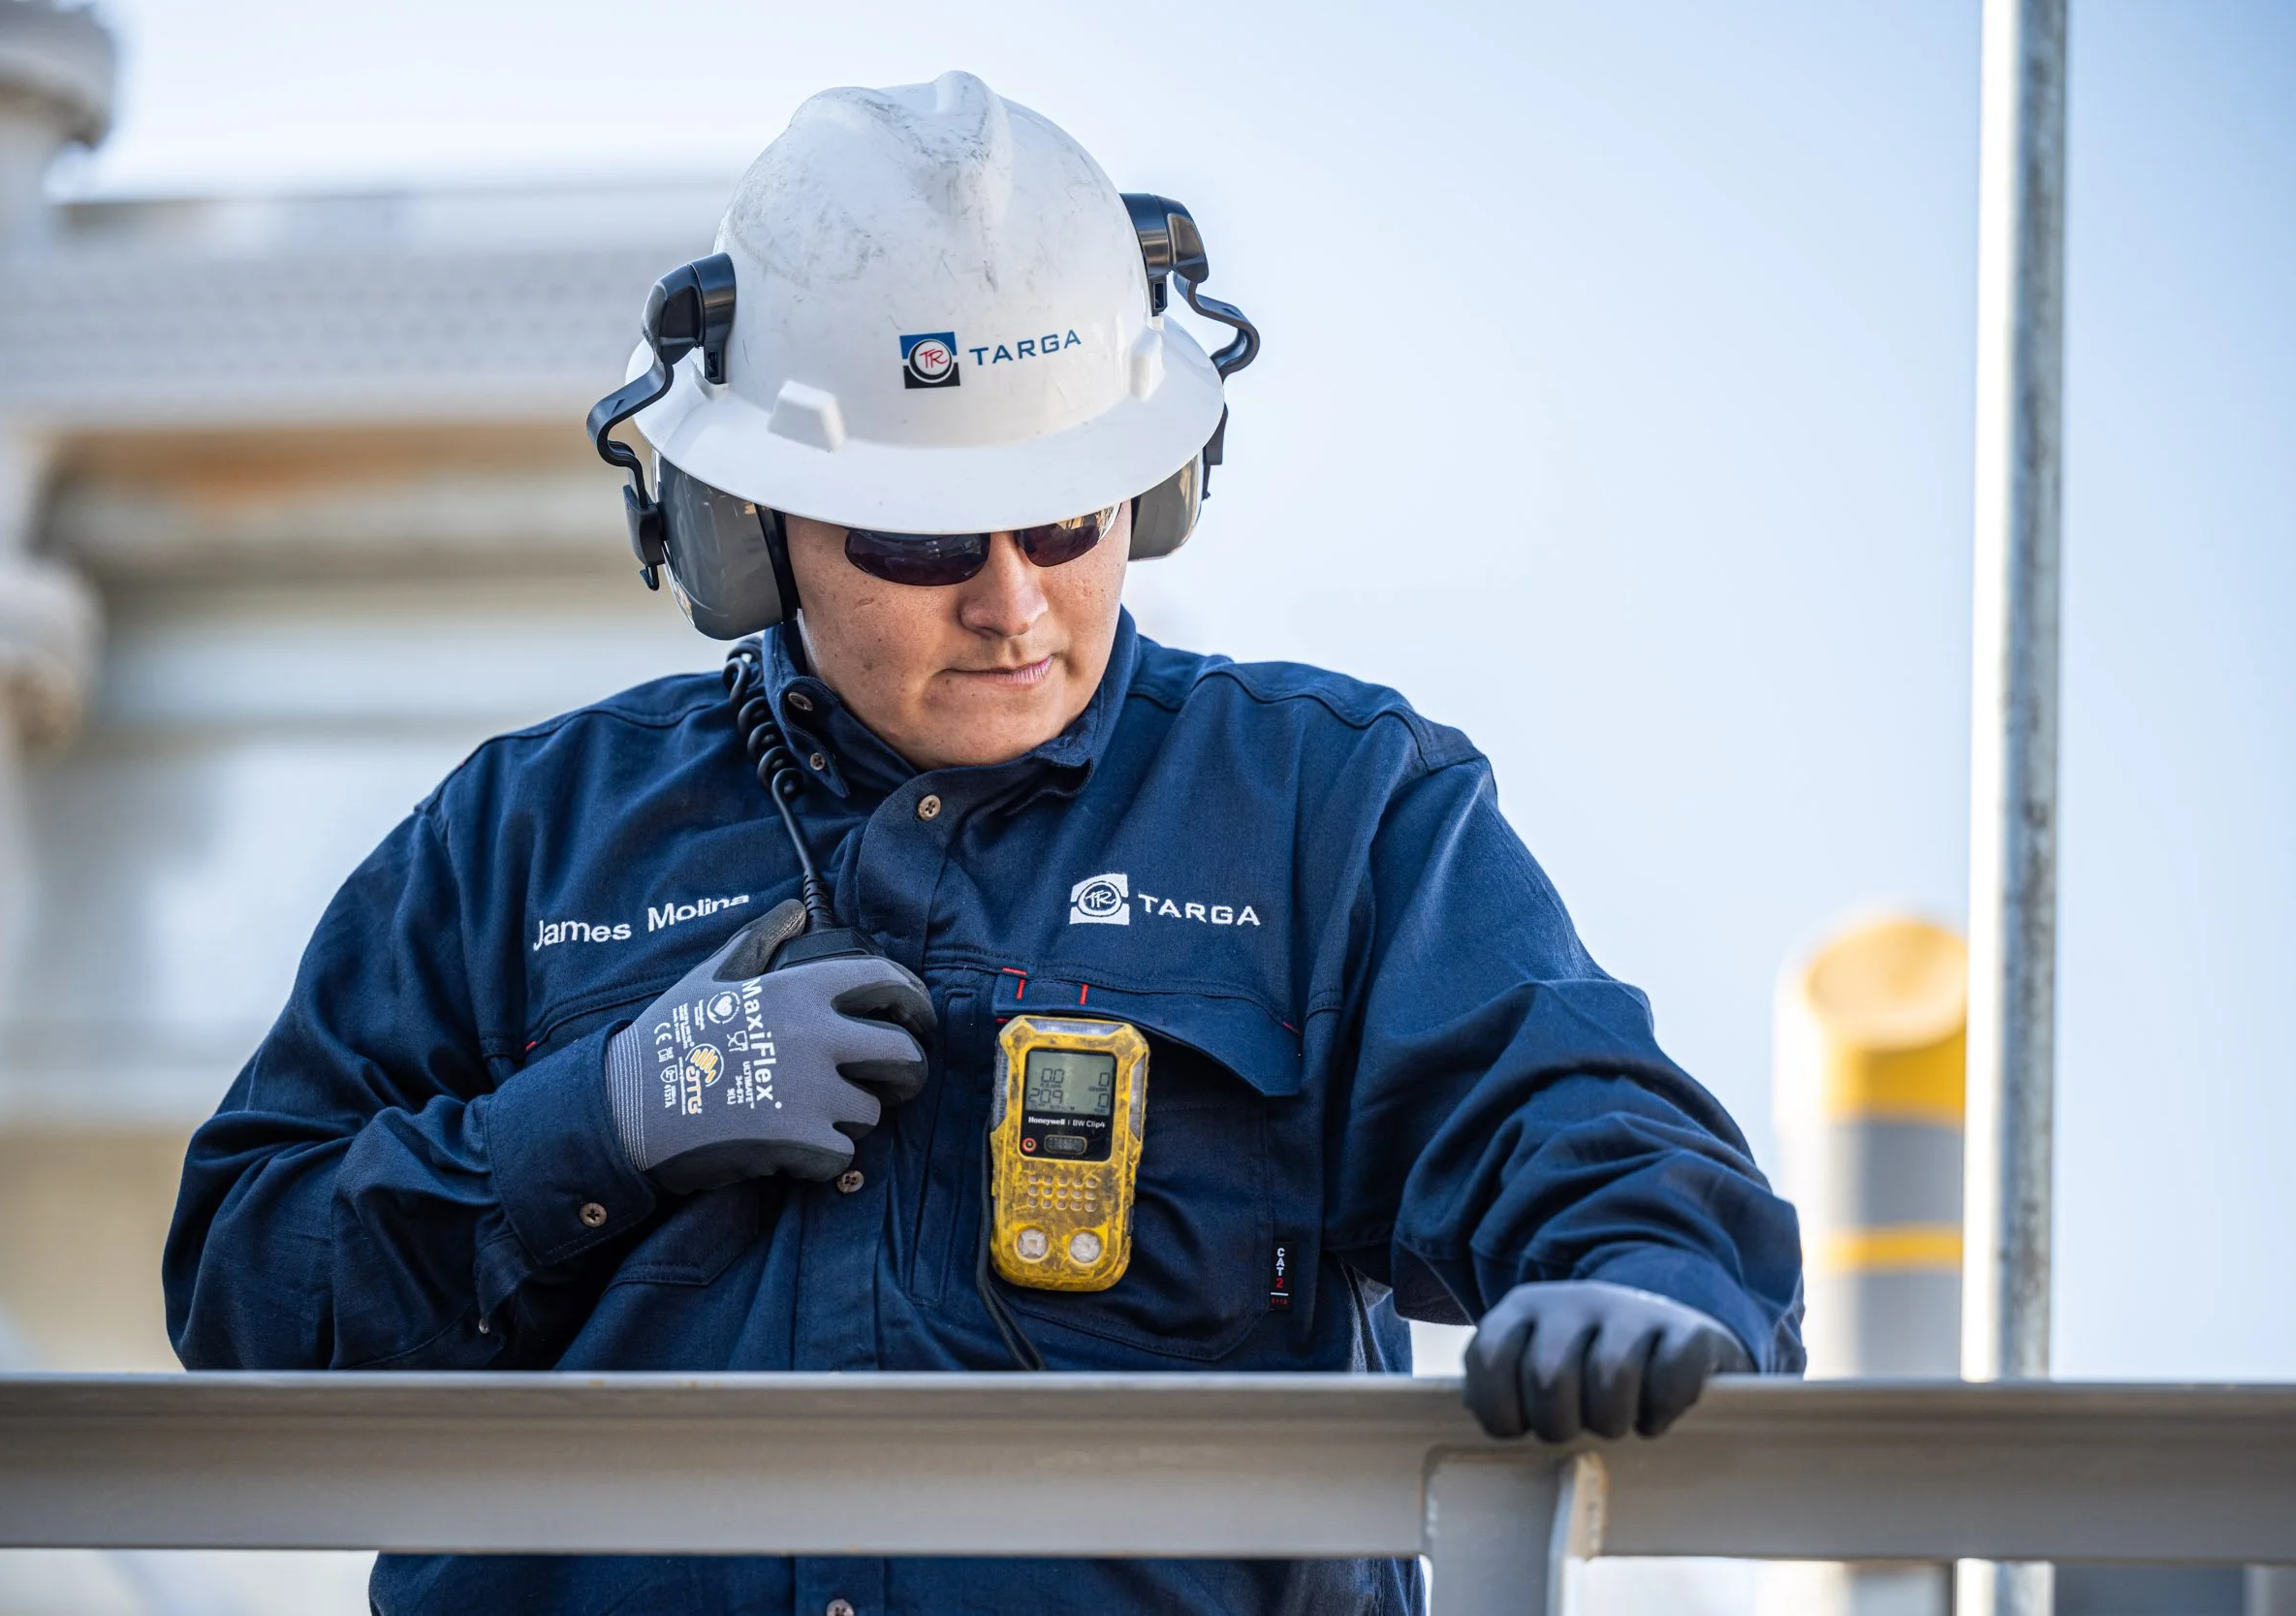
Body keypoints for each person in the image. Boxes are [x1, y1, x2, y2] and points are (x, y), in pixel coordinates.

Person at [163, 71, 1804, 1616]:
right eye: (924, 537)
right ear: (748, 529)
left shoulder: (1333, 813)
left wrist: (1650, 1278)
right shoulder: (526, 839)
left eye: (1069, 519)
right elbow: (245, 1292)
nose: (1013, 603)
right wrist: (598, 1123)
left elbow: (1575, 1117)